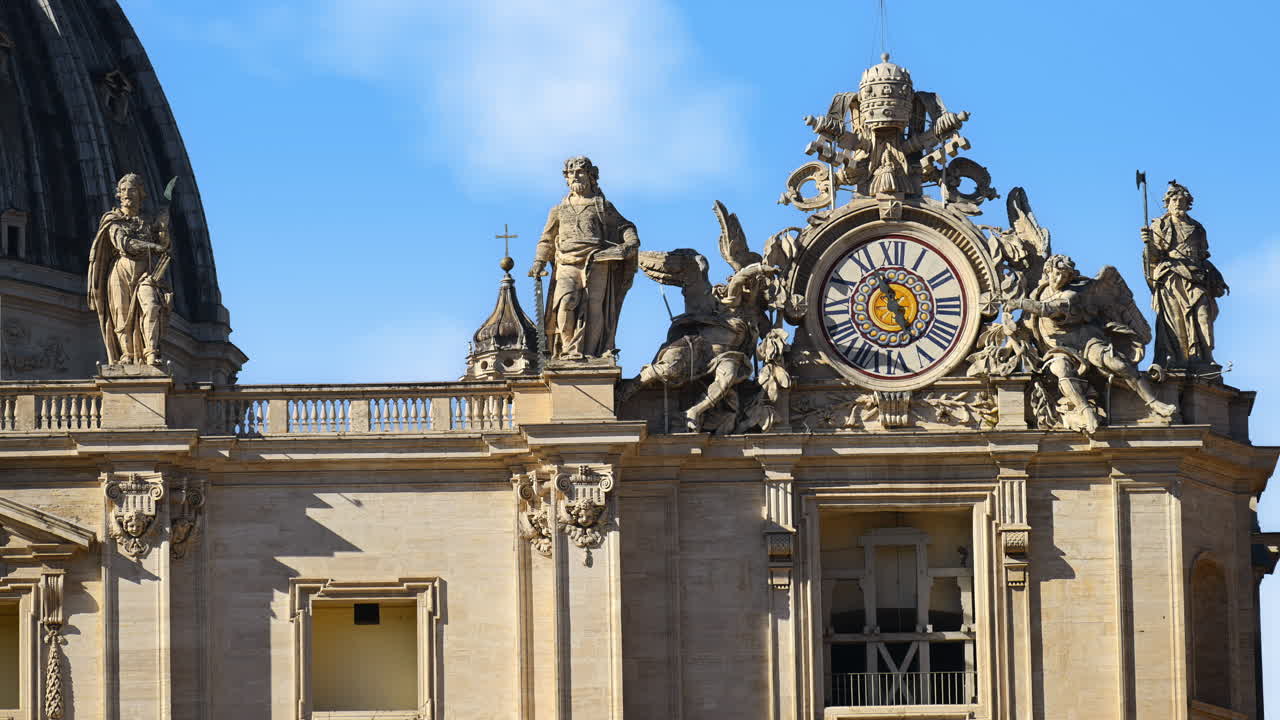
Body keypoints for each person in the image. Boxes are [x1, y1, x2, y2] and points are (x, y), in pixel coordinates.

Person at [1009, 255, 1175, 433]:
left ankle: (1154, 402)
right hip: (1059, 349)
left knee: (1116, 363)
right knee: (1061, 369)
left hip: (1086, 341)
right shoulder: (1037, 294)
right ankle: (1086, 412)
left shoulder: (1070, 295)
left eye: (1065, 277)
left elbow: (1048, 309)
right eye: (1057, 274)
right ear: (1047, 271)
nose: (1059, 279)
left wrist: (1018, 302)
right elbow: (1025, 327)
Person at [529, 157, 638, 360]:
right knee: (566, 301)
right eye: (572, 173)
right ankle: (569, 350)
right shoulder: (558, 210)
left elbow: (625, 226)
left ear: (591, 176)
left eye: (581, 172)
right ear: (567, 179)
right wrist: (539, 262)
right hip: (566, 261)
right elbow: (547, 239)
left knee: (594, 306)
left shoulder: (602, 206)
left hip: (597, 259)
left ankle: (592, 352)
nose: (576, 176)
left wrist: (630, 241)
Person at [87, 173, 172, 366]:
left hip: (146, 273)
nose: (127, 194)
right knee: (121, 316)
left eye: (132, 190)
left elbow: (165, 246)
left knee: (151, 307)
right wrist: (152, 246)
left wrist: (163, 229)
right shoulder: (112, 220)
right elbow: (124, 243)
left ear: (141, 194)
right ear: (118, 194)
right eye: (123, 190)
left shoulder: (148, 222)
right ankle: (127, 355)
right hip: (120, 272)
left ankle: (151, 352)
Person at [1141, 181, 1228, 370]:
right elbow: (1155, 257)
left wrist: (1217, 276)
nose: (1178, 203)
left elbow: (1203, 258)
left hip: (1197, 277)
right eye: (1174, 200)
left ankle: (1206, 356)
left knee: (1203, 314)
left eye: (1182, 200)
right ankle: (1176, 357)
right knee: (1175, 319)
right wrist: (1149, 244)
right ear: (1167, 203)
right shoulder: (1160, 224)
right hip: (1172, 277)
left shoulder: (1197, 228)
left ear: (1188, 203)